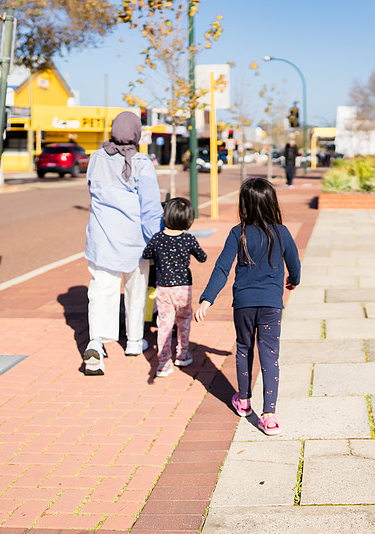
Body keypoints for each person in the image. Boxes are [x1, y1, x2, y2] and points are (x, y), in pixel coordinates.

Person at [194, 178, 301, 435]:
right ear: (271, 203)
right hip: (271, 305)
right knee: (270, 356)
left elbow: (222, 268)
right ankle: (270, 416)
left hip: (243, 304)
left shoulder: (237, 233)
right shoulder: (281, 232)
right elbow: (294, 264)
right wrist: (293, 281)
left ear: (245, 205)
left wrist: (207, 298)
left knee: (244, 348)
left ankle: (243, 401)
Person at [83, 111, 163, 376]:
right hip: (135, 240)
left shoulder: (96, 158)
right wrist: (156, 241)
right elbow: (151, 208)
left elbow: (92, 190)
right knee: (136, 289)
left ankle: (96, 340)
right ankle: (132, 341)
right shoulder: (141, 163)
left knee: (101, 291)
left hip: (102, 237)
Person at [142, 197, 207, 378]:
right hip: (183, 288)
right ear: (188, 220)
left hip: (163, 288)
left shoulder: (157, 239)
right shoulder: (188, 239)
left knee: (164, 324)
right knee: (184, 322)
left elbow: (146, 254)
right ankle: (182, 354)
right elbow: (202, 257)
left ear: (165, 217)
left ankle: (163, 363)